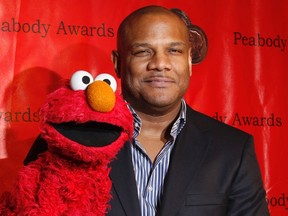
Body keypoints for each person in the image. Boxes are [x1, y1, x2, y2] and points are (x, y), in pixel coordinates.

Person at [24, 5, 270, 216]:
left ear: (188, 62)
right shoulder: (65, 141)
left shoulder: (232, 150)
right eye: (143, 51)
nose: (160, 64)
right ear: (118, 63)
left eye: (174, 51)